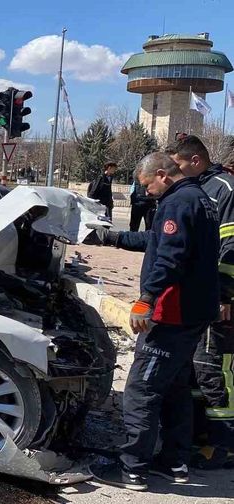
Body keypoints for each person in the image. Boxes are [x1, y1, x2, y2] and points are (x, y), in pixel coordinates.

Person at [87, 152, 220, 490]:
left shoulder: (177, 203)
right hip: (195, 312)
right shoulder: (200, 198)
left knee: (142, 390)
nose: (146, 192)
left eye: (147, 186)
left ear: (162, 174)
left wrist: (145, 300)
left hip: (172, 313)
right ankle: (175, 463)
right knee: (175, 389)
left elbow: (170, 258)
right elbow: (158, 240)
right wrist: (114, 237)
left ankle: (132, 468)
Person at [166, 135, 234, 469]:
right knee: (195, 370)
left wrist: (224, 294)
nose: (172, 170)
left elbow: (230, 247)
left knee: (214, 371)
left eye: (177, 163)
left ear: (195, 160)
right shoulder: (198, 189)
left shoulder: (224, 189)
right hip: (197, 299)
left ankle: (225, 445)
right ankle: (200, 436)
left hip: (220, 299)